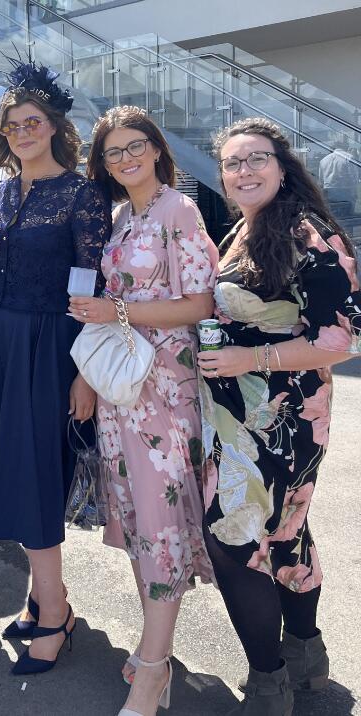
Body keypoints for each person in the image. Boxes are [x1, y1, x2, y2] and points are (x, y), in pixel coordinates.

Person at [199, 117, 360, 715]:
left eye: (256, 159)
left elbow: (341, 339)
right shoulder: (247, 228)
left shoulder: (306, 233)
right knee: (285, 534)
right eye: (233, 163)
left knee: (235, 546)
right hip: (240, 417)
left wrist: (249, 355)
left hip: (280, 417)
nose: (244, 171)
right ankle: (306, 656)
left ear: (282, 165)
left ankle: (269, 683)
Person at [0, 61, 110, 675]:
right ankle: (44, 598)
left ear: (54, 128)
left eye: (34, 122)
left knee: (36, 476)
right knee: (14, 472)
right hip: (2, 340)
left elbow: (93, 283)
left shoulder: (82, 194)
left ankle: (53, 614)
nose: (23, 132)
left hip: (52, 344)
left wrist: (83, 371)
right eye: (14, 125)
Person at [76, 106, 219, 716]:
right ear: (104, 164)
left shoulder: (177, 210)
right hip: (122, 388)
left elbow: (202, 303)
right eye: (114, 152)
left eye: (137, 145)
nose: (127, 157)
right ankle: (151, 644)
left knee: (160, 523)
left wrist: (119, 314)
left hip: (163, 390)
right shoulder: (120, 217)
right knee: (138, 519)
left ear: (157, 149)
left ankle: (154, 668)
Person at [318, 140, 360, 215]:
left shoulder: (323, 160)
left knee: (333, 216)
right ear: (344, 147)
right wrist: (354, 191)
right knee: (347, 215)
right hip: (344, 190)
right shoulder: (349, 157)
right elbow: (354, 176)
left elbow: (321, 180)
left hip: (328, 191)